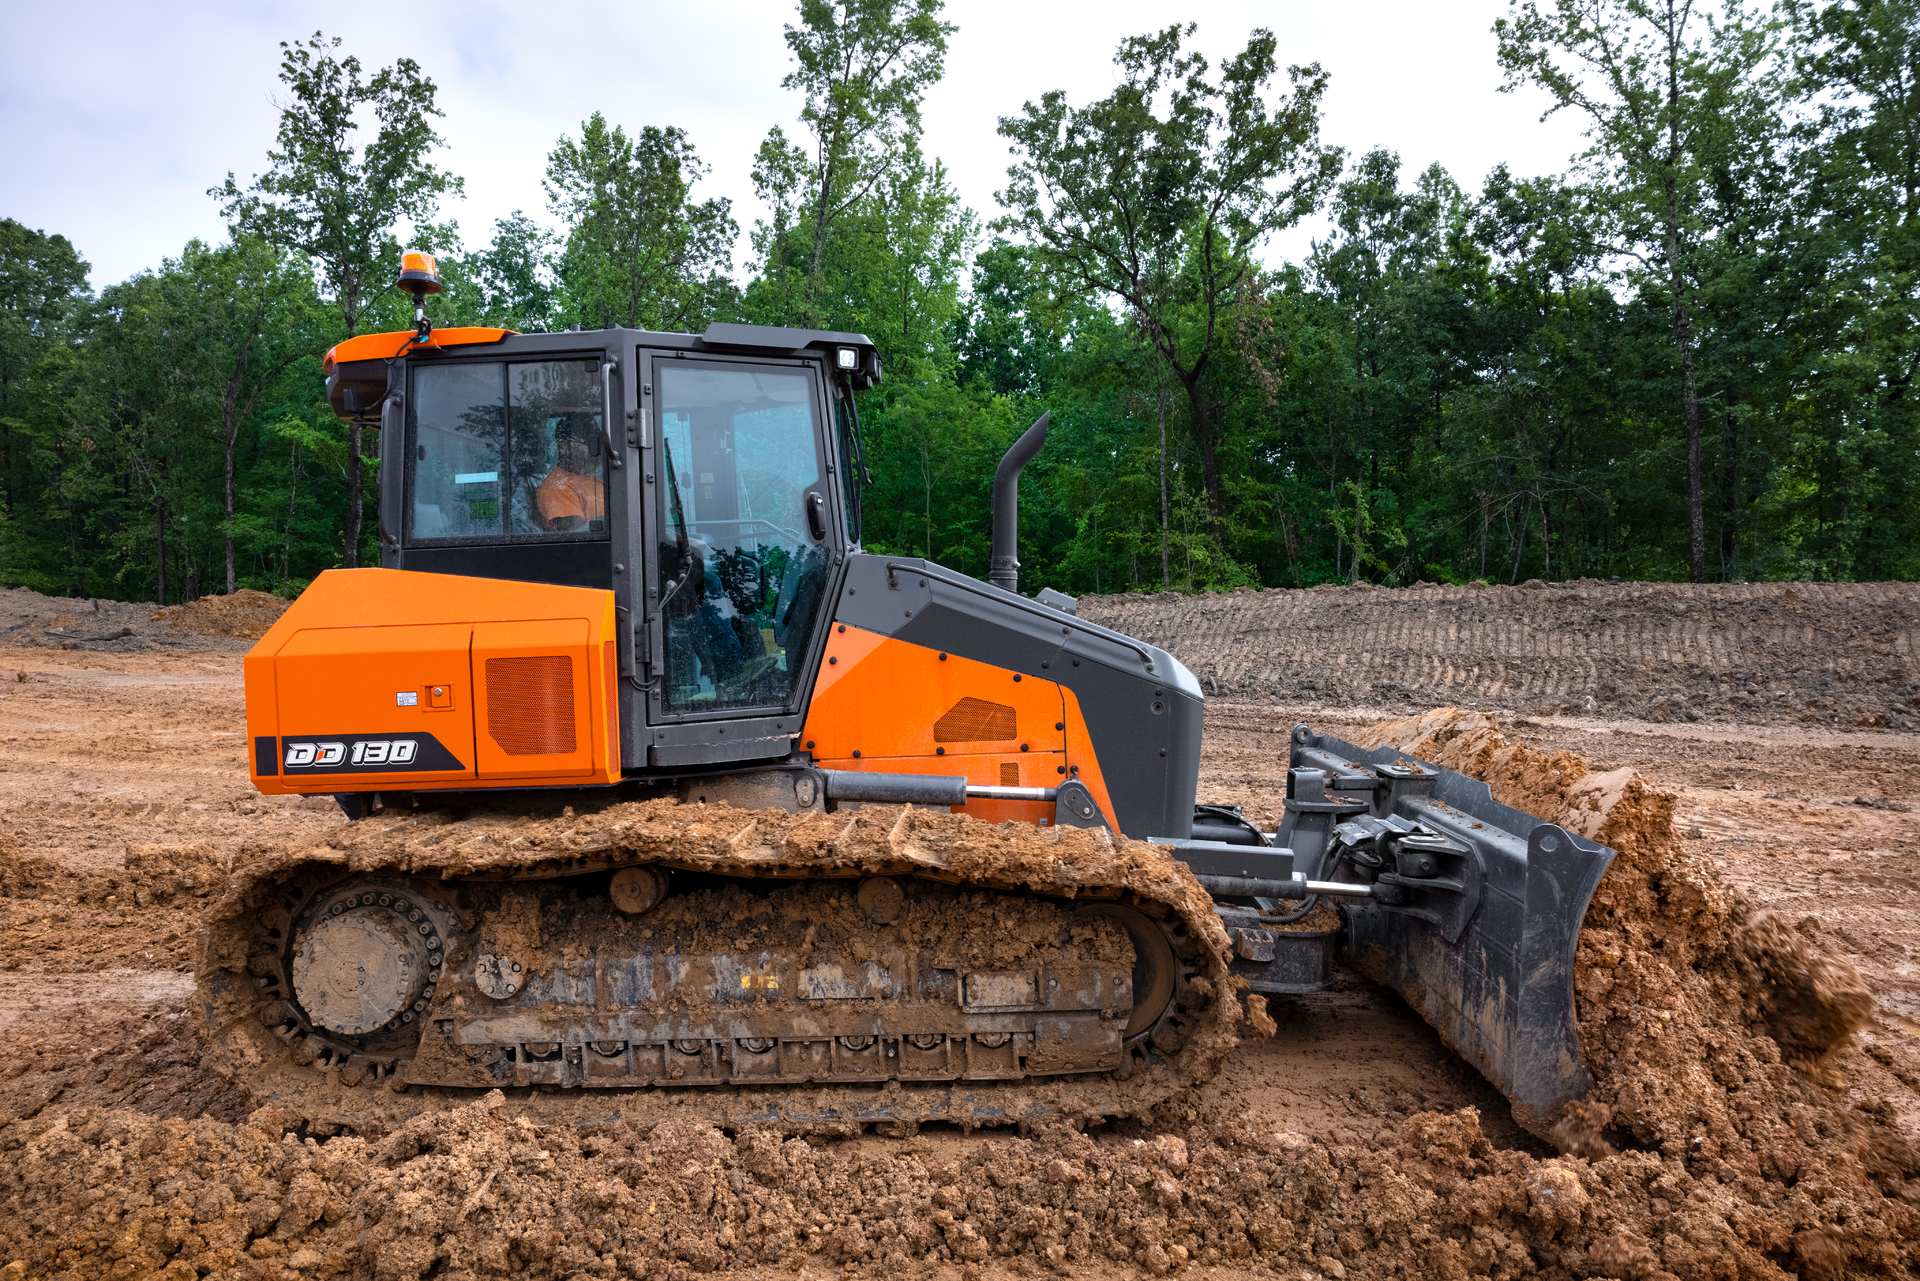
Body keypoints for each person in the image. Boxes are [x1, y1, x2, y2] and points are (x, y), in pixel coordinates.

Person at [535, 416, 604, 532]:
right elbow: (576, 537)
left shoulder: (596, 482)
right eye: (589, 443)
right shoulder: (559, 488)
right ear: (564, 445)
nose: (596, 451)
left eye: (597, 444)